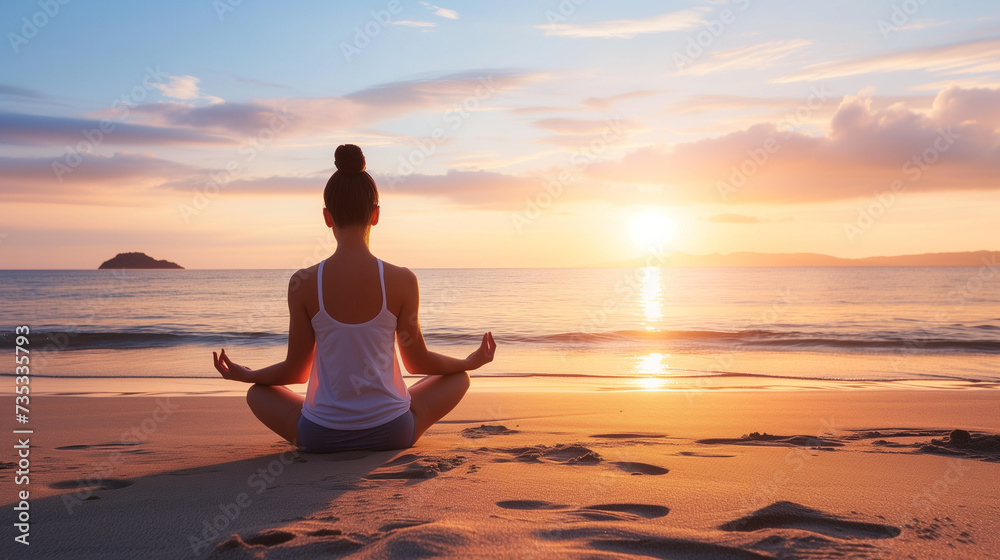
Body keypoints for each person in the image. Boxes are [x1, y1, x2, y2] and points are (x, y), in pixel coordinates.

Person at [212, 144, 496, 453]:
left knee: (256, 393)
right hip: (393, 432)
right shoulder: (402, 280)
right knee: (460, 378)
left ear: (327, 217)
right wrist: (470, 361)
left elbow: (296, 371)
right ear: (375, 215)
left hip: (320, 437)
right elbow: (417, 362)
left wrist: (247, 374)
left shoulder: (303, 283)